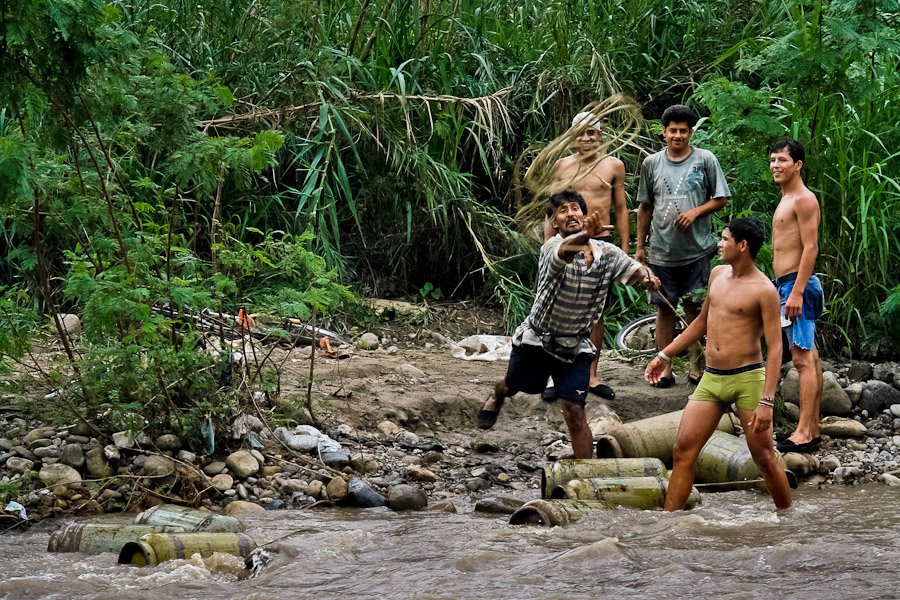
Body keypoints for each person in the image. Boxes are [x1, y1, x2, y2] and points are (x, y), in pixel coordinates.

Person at [478, 190, 660, 459]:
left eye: (575, 208)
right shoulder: (552, 247)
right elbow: (565, 250)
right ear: (554, 223)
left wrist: (646, 275)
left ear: (584, 215)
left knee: (575, 412)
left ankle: (586, 478)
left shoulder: (608, 254)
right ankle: (498, 394)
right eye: (562, 211)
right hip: (537, 341)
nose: (570, 213)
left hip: (575, 347)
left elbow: (635, 268)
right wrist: (586, 235)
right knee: (513, 385)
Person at [645, 218, 792, 510]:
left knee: (763, 456)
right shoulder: (717, 274)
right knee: (683, 451)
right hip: (712, 379)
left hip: (748, 380)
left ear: (742, 245)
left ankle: (788, 519)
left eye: (724, 239)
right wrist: (665, 354)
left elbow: (775, 349)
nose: (719, 244)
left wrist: (767, 400)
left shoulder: (764, 290)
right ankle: (668, 523)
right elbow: (701, 323)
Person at [636, 104, 730, 388]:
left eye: (683, 131)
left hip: (697, 249)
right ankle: (663, 368)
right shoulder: (651, 163)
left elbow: (721, 198)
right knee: (664, 309)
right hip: (662, 252)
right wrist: (640, 248)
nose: (678, 135)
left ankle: (696, 366)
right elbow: (644, 207)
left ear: (691, 133)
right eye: (672, 130)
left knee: (695, 309)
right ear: (663, 133)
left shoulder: (705, 159)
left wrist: (696, 212)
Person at [541, 111, 631, 401]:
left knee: (596, 311)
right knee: (559, 310)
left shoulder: (613, 166)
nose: (587, 138)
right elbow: (552, 208)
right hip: (566, 244)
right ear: (572, 135)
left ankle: (591, 376)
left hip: (600, 242)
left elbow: (620, 209)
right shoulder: (562, 166)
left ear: (600, 135)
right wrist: (549, 244)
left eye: (592, 132)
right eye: (581, 132)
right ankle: (555, 378)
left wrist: (626, 250)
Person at [770, 138, 823, 454]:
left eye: (782, 160)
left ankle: (804, 432)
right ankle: (812, 428)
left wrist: (797, 292)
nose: (776, 165)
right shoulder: (787, 197)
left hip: (796, 286)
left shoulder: (803, 199)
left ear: (798, 164)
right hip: (788, 285)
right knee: (810, 356)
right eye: (773, 160)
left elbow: (810, 247)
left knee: (802, 358)